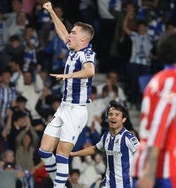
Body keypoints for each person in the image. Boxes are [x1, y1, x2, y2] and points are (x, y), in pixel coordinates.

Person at [38, 2, 96, 188]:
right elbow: (61, 31)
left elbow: (90, 71)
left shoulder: (87, 53)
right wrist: (51, 12)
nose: (69, 35)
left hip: (76, 110)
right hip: (64, 107)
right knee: (44, 152)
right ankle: (60, 184)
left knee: (62, 153)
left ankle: (59, 186)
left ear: (83, 39)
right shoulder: (73, 49)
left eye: (73, 33)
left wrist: (69, 75)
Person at [131, 31, 176, 188]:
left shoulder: (157, 79)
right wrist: (150, 172)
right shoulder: (172, 82)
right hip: (161, 169)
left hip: (147, 162)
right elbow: (158, 125)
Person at [70, 100, 140, 188]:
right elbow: (95, 149)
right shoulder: (106, 136)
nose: (113, 117)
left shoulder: (128, 138)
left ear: (123, 119)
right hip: (107, 184)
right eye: (110, 114)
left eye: (116, 115)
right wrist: (74, 153)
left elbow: (142, 156)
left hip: (125, 185)